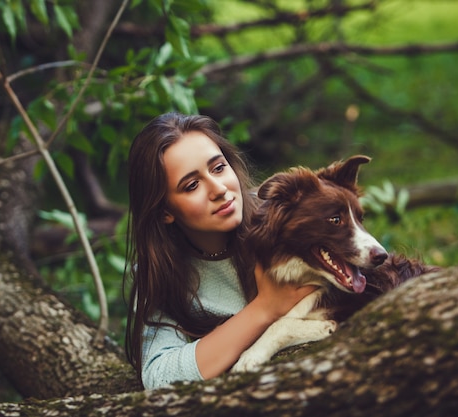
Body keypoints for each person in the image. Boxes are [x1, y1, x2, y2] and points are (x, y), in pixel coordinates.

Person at [124, 112, 315, 390]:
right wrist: (265, 308)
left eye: (217, 168)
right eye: (192, 185)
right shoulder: (159, 273)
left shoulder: (283, 216)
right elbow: (158, 377)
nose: (219, 189)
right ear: (165, 211)